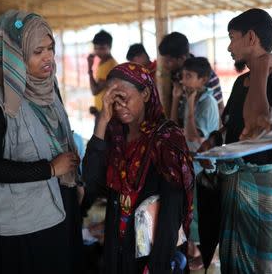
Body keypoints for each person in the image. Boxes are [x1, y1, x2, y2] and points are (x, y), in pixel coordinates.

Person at [0, 10, 83, 274]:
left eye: (50, 48)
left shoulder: (48, 86)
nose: (48, 57)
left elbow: (61, 137)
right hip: (21, 225)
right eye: (37, 51)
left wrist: (75, 182)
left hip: (60, 205)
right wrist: (50, 169)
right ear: (14, 53)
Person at [199, 8, 272, 273]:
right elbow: (231, 127)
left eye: (233, 37)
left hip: (259, 182)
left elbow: (256, 126)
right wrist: (214, 141)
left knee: (257, 262)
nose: (230, 46)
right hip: (232, 179)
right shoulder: (240, 82)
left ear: (251, 38)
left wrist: (262, 67)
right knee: (231, 256)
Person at [82, 62, 194, 273]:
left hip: (154, 250)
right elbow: (92, 182)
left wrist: (157, 265)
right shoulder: (114, 136)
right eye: (113, 101)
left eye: (124, 98)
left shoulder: (166, 139)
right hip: (119, 242)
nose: (119, 107)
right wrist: (102, 121)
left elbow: (171, 210)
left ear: (144, 94)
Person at [170, 56, 219, 270]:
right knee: (190, 209)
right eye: (183, 76)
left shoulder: (206, 102)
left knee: (199, 210)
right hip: (189, 163)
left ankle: (208, 253)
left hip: (202, 166)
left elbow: (192, 134)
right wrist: (175, 99)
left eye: (189, 77)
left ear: (203, 79)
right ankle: (194, 249)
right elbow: (173, 126)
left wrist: (189, 104)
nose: (184, 81)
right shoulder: (191, 97)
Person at [158, 32, 225, 117]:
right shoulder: (174, 74)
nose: (164, 65)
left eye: (168, 61)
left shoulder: (206, 74)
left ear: (182, 58)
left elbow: (219, 108)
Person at [87, 30, 118, 116]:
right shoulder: (102, 63)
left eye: (101, 48)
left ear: (110, 47)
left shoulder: (110, 65)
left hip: (108, 115)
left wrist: (89, 68)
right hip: (102, 112)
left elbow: (95, 90)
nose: (98, 52)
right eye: (96, 48)